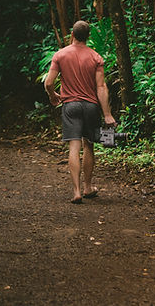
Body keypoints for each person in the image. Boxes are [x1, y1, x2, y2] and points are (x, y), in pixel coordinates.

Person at [44, 19, 116, 204]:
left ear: (72, 35)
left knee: (74, 147)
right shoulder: (95, 57)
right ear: (88, 37)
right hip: (91, 106)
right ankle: (87, 187)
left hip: (70, 106)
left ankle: (76, 191)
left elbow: (49, 83)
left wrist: (53, 95)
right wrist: (107, 114)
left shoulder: (60, 55)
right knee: (89, 144)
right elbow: (101, 87)